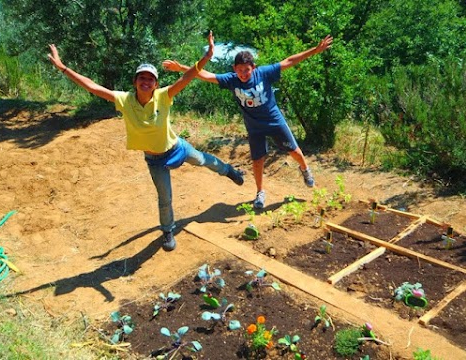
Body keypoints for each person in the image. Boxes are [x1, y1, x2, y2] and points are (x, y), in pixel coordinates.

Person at [47, 31, 244, 252]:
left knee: (203, 160)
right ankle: (168, 230)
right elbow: (92, 87)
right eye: (142, 77)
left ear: (156, 83)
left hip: (176, 147)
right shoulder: (124, 100)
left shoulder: (164, 95)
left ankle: (228, 170)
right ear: (135, 82)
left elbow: (186, 77)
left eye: (150, 79)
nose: (146, 81)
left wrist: (207, 56)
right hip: (154, 159)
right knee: (165, 197)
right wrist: (62, 67)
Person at [163, 35, 333, 209]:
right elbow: (206, 76)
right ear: (234, 69)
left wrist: (315, 50)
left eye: (247, 70)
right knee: (257, 160)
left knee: (295, 151)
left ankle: (305, 169)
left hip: (274, 121)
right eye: (240, 70)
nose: (243, 74)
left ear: (254, 68)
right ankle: (260, 192)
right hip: (254, 128)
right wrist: (181, 68)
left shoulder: (264, 74)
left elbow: (289, 61)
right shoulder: (232, 79)